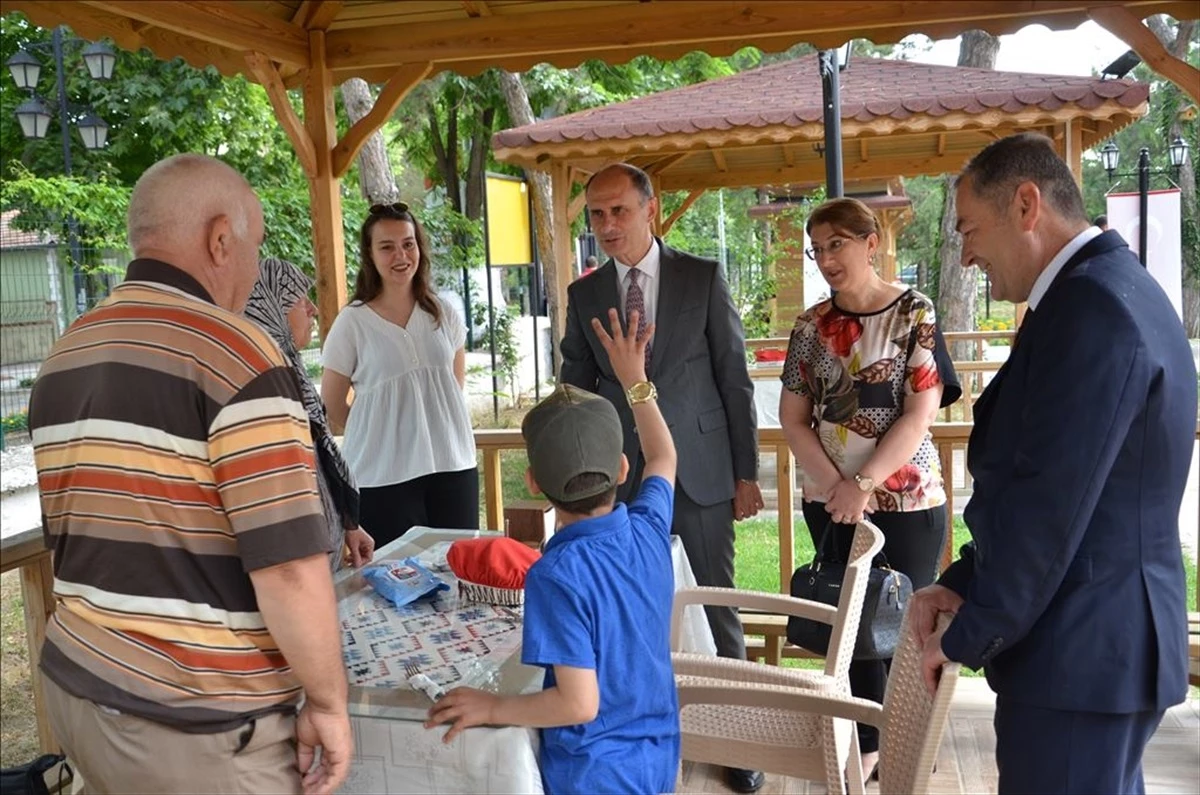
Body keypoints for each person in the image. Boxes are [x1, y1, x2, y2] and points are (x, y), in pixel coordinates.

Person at [27, 154, 351, 794]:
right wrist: (329, 702)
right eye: (255, 248)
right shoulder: (239, 354)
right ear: (220, 239)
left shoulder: (64, 356)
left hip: (81, 693)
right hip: (197, 724)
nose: (255, 269)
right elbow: (288, 566)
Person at [910, 132, 1196, 794]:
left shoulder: (1093, 306)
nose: (965, 251)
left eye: (969, 228)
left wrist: (967, 635)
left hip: (1083, 649)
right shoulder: (1100, 290)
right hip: (1091, 644)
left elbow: (1050, 509)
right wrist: (964, 581)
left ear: (1026, 204)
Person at [559, 162, 762, 793]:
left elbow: (734, 378)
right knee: (627, 612)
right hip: (615, 479)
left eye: (619, 211)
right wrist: (571, 477)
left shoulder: (702, 277)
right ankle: (639, 728)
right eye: (596, 214)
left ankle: (738, 744)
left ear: (652, 208)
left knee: (717, 605)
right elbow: (573, 388)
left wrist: (746, 471)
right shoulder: (585, 294)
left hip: (700, 474)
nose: (607, 225)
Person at [426, 308, 680, 795]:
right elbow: (665, 455)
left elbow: (577, 704)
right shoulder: (650, 528)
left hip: (593, 775)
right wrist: (635, 379)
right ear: (624, 468)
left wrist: (493, 706)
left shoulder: (556, 574)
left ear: (534, 484)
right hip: (657, 756)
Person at [778, 196, 960, 779]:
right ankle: (868, 745)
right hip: (831, 499)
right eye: (818, 248)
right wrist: (838, 488)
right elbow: (793, 417)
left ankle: (911, 741)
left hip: (906, 496)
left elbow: (920, 411)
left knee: (908, 623)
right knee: (851, 621)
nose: (827, 258)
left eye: (838, 244)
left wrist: (864, 482)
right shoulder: (810, 325)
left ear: (870, 241)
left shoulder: (914, 312)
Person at [321, 202, 478, 548]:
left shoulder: (443, 312)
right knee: (394, 584)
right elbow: (332, 404)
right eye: (387, 246)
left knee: (458, 574)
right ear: (370, 254)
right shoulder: (353, 322)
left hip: (453, 467)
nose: (400, 255)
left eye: (408, 244)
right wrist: (382, 433)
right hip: (383, 477)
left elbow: (454, 386)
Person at [244, 257, 375, 571]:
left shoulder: (290, 372)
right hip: (296, 570)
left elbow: (318, 457)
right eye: (300, 300)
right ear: (271, 309)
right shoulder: (260, 385)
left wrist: (347, 525)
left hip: (319, 560)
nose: (313, 309)